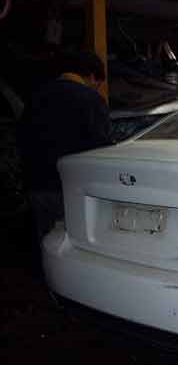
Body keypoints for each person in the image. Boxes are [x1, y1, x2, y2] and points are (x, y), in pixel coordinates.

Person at [18, 51, 112, 241]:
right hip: (74, 187)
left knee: (49, 242)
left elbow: (22, 137)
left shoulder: (35, 96)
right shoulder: (91, 100)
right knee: (77, 243)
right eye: (98, 83)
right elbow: (101, 147)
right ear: (91, 75)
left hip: (38, 186)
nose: (96, 88)